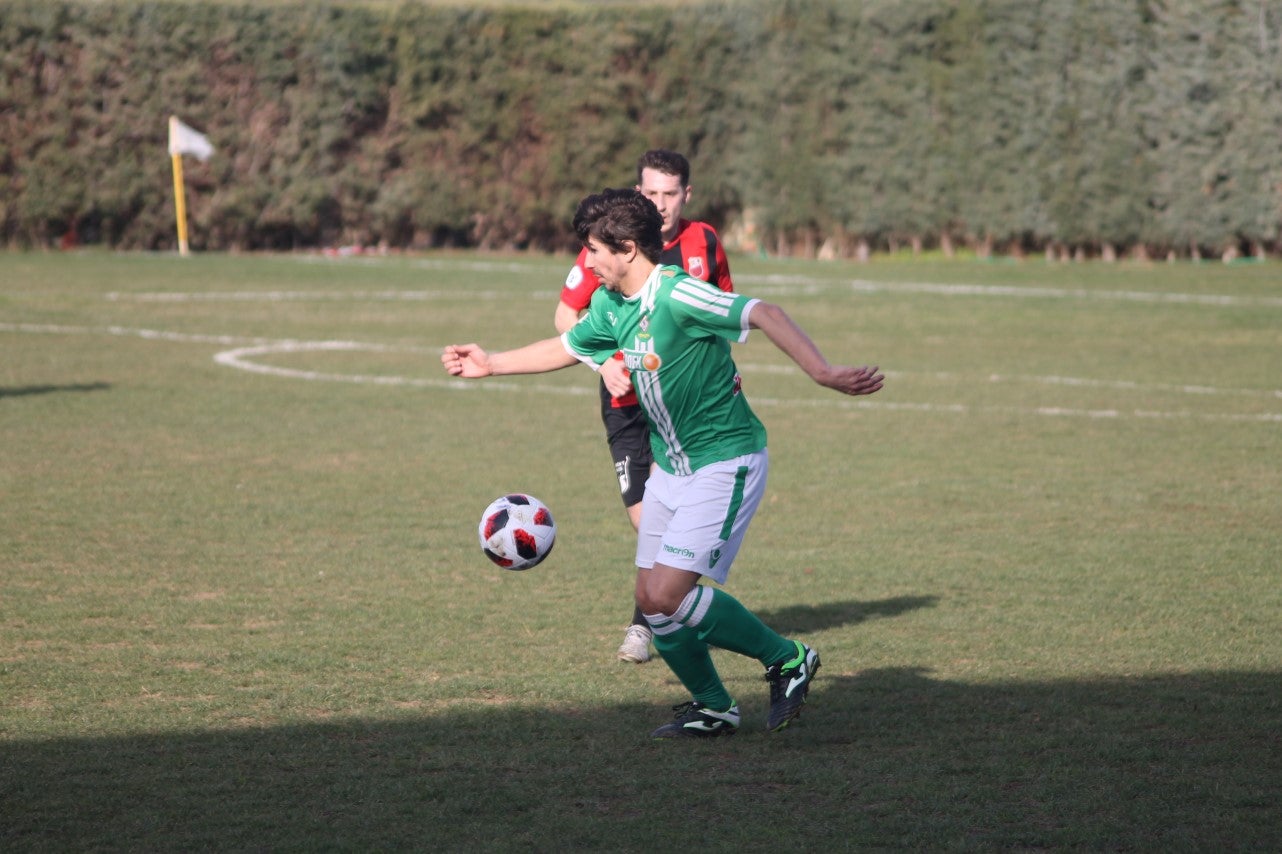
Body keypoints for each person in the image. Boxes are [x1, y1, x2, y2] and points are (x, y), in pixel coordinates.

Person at [443, 188, 882, 737]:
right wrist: (492, 363)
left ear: (626, 250)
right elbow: (567, 346)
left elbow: (763, 312)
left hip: (725, 463)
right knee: (652, 606)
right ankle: (713, 706)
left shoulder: (678, 296)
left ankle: (787, 658)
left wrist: (823, 372)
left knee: (663, 595)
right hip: (671, 469)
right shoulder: (611, 303)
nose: (588, 262)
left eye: (594, 251)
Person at [554, 149, 733, 665]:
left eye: (669, 193)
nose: (659, 203)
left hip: (682, 405)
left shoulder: (704, 242)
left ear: (686, 195)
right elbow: (566, 318)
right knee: (645, 519)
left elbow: (722, 312)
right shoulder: (609, 247)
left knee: (666, 517)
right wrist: (604, 361)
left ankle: (648, 621)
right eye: (650, 193)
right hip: (626, 402)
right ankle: (662, 610)